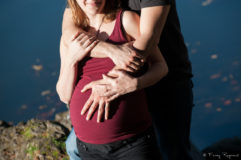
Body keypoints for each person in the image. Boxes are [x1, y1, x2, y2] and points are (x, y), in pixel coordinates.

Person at [61, 0, 194, 160]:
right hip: (95, 141)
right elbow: (69, 32)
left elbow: (148, 40)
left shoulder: (127, 19)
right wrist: (111, 50)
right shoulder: (89, 6)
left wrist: (111, 83)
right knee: (73, 147)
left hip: (166, 85)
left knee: (173, 151)